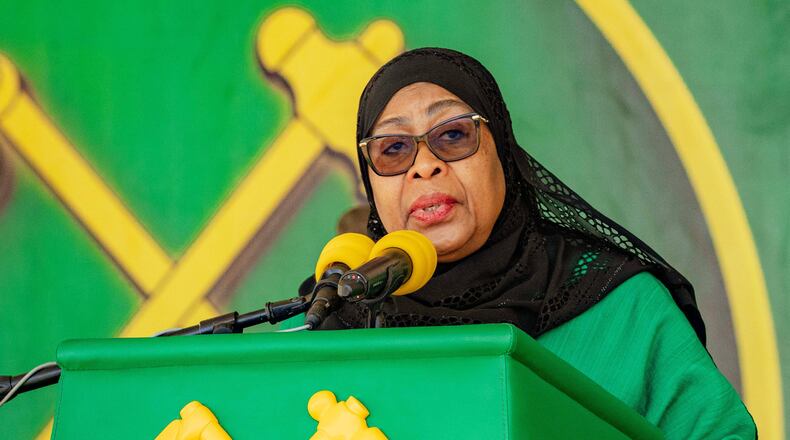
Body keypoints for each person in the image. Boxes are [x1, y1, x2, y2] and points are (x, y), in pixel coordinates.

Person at [305, 47, 755, 438]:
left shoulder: (621, 306)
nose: (424, 166)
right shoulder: (338, 317)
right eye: (394, 149)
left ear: (502, 152)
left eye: (454, 135)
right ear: (370, 182)